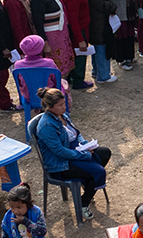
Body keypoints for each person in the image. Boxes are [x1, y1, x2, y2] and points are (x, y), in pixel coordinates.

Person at [33, 87, 110, 219]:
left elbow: (76, 134)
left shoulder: (63, 116)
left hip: (75, 152)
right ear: (50, 107)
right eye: (61, 105)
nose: (65, 107)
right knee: (97, 171)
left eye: (64, 103)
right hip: (61, 163)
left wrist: (86, 145)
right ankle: (83, 202)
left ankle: (88, 188)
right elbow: (59, 151)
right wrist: (84, 155)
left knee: (104, 153)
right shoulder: (46, 126)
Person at [29, 0, 75, 80]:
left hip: (60, 34)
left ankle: (63, 84)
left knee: (64, 59)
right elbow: (38, 23)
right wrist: (45, 43)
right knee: (55, 62)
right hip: (51, 37)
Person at [56, 0, 95, 91]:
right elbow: (74, 20)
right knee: (80, 54)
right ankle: (78, 80)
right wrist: (81, 39)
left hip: (66, 28)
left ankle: (69, 77)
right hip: (78, 28)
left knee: (70, 53)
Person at [81, 0, 116, 84]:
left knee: (97, 47)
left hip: (95, 20)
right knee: (101, 48)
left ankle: (96, 72)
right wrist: (113, 6)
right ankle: (104, 75)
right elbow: (100, 4)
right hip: (98, 21)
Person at [12, 34, 70, 107]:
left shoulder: (18, 65)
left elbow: (20, 83)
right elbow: (56, 80)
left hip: (29, 97)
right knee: (64, 83)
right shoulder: (49, 63)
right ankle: (64, 110)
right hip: (50, 96)